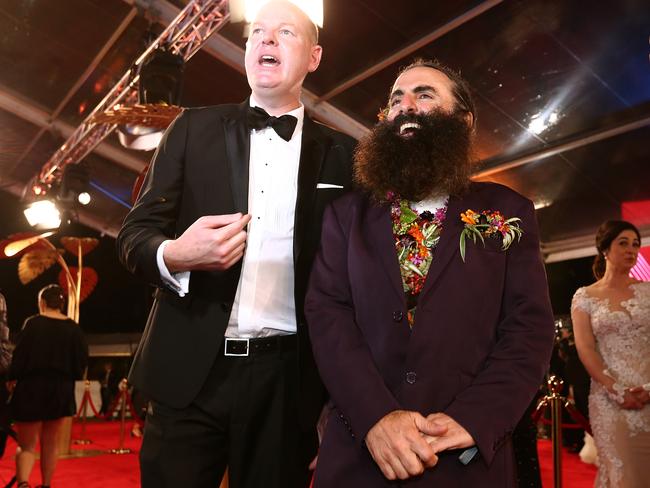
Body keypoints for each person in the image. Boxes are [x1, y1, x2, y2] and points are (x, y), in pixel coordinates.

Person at [116, 1, 355, 487]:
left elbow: (353, 281)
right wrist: (176, 254)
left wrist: (337, 395)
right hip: (189, 375)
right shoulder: (190, 129)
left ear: (314, 57)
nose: (266, 40)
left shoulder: (345, 155)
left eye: (285, 32)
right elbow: (133, 237)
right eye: (256, 32)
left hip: (287, 384)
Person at [305, 59, 555, 487]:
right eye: (395, 99)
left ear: (463, 119)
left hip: (463, 457)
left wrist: (475, 419)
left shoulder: (508, 211)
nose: (406, 106)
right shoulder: (345, 217)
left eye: (424, 95)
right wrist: (376, 417)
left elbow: (528, 329)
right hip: (362, 452)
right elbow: (328, 318)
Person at [571, 220, 650, 487]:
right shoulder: (585, 297)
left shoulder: (648, 292)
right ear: (605, 248)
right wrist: (615, 389)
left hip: (648, 396)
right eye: (623, 243)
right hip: (609, 401)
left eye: (636, 244)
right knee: (623, 476)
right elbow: (585, 348)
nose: (631, 250)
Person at [8, 284, 88, 488]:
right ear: (61, 304)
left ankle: (24, 483)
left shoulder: (33, 324)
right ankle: (46, 484)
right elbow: (80, 364)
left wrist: (11, 378)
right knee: (50, 444)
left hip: (31, 388)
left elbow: (19, 357)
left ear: (42, 303)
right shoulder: (74, 329)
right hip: (60, 390)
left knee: (26, 444)